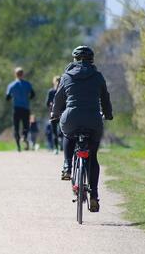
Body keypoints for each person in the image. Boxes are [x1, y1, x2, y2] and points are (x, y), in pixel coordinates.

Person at [51, 46, 113, 212]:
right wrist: (108, 114)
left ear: (74, 60)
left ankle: (67, 166)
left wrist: (54, 114)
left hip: (71, 118)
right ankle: (94, 196)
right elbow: (105, 98)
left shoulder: (66, 76)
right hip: (93, 120)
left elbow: (58, 99)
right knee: (92, 156)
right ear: (91, 60)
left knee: (67, 134)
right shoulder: (98, 76)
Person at [6, 67, 35, 152]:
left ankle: (18, 146)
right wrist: (26, 97)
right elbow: (33, 95)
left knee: (16, 127)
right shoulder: (27, 84)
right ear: (23, 74)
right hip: (25, 108)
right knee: (26, 125)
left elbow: (7, 97)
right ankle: (24, 136)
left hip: (16, 108)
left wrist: (13, 96)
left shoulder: (11, 85)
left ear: (15, 74)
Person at [46, 76, 61, 154]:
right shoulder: (51, 92)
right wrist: (51, 103)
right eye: (57, 81)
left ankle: (59, 146)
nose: (58, 83)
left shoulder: (62, 91)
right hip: (54, 114)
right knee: (55, 132)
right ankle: (56, 147)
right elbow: (47, 103)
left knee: (59, 132)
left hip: (59, 114)